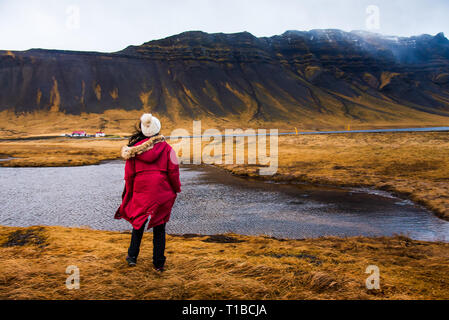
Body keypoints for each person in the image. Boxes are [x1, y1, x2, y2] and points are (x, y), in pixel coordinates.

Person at [115, 113, 181, 272]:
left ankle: (132, 257)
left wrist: (129, 193)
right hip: (161, 191)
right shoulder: (167, 149)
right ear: (158, 129)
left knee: (138, 223)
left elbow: (129, 175)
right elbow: (173, 172)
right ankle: (158, 263)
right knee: (159, 227)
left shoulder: (133, 152)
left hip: (141, 190)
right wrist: (176, 188)